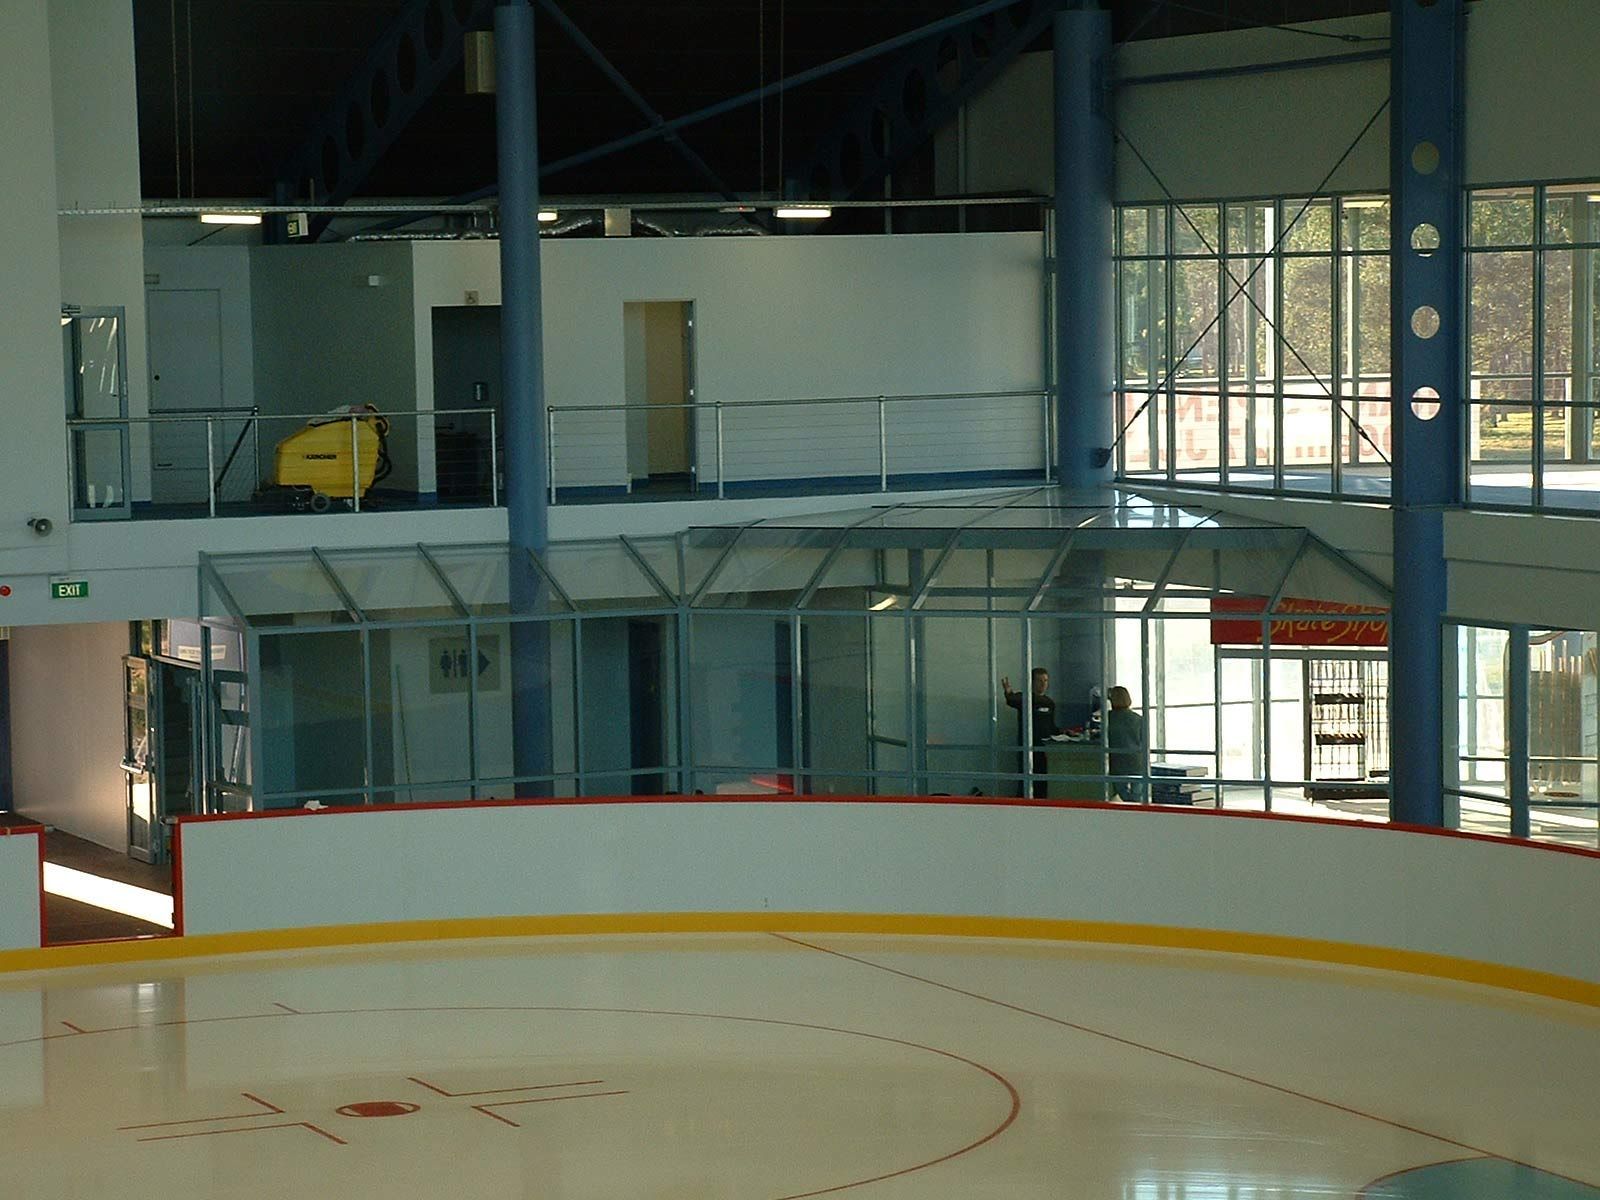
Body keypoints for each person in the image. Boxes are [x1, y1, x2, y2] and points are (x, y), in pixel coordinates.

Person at [1002, 668, 1058, 797]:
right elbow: (1012, 700)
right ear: (1032, 682)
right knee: (1026, 781)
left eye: (1045, 680)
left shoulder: (1050, 703)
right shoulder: (1025, 699)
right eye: (1039, 680)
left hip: (1044, 749)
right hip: (1027, 748)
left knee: (1043, 782)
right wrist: (1008, 692)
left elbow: (1052, 726)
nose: (1043, 684)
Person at [1105, 686, 1147, 803]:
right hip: (1136, 761)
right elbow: (1144, 742)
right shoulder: (1139, 719)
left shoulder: (1108, 718)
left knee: (1121, 791)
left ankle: (1127, 806)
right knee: (1137, 794)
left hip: (1118, 761)